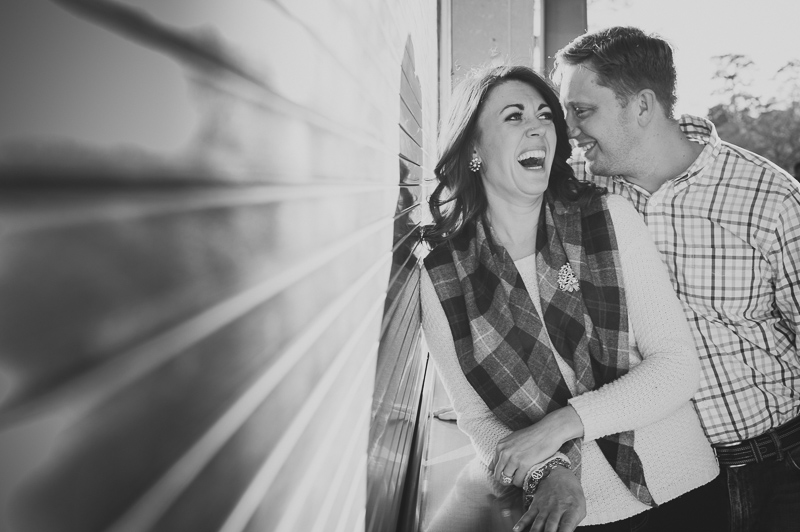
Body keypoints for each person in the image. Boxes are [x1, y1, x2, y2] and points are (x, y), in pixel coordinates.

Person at [421, 64, 720, 532]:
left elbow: (676, 365)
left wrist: (559, 426)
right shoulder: (443, 273)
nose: (538, 126)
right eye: (514, 117)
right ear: (474, 147)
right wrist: (546, 472)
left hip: (681, 491)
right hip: (564, 515)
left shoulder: (608, 219)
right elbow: (476, 415)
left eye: (544, 115)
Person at [554, 26, 800, 532]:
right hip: (670, 477)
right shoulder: (580, 192)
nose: (569, 130)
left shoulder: (770, 199)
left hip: (781, 468)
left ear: (642, 106)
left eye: (582, 111)